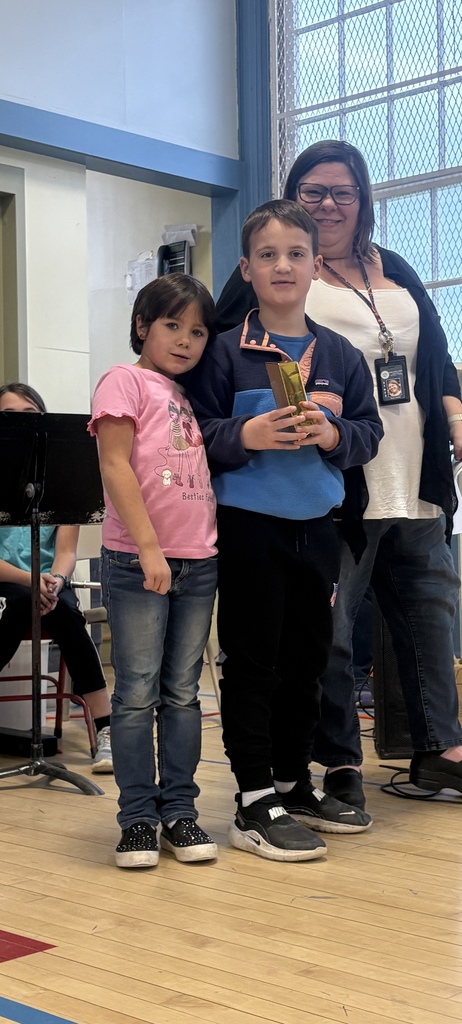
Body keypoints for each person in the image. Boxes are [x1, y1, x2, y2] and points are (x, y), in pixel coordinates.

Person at [215, 140, 462, 810]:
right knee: (333, 636)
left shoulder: (395, 268)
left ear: (364, 199)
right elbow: (221, 354)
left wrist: (457, 421)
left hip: (416, 473)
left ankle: (442, 749)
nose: (327, 204)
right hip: (333, 485)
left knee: (431, 615)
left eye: (341, 192)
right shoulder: (279, 268)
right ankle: (338, 763)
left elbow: (435, 357)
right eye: (313, 191)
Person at [184, 199, 381, 862]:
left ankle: (295, 784)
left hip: (317, 529)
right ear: (247, 267)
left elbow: (368, 435)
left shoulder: (343, 357)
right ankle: (252, 799)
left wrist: (333, 434)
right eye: (266, 255)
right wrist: (244, 433)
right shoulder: (222, 355)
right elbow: (196, 434)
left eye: (295, 253)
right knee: (253, 663)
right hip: (248, 529)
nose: (282, 265)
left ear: (315, 264)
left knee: (309, 660)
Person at [89, 274, 219, 869]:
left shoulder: (187, 395)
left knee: (183, 694)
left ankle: (180, 813)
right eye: (173, 325)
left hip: (200, 561)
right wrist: (147, 548)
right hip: (140, 561)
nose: (186, 340)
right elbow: (115, 466)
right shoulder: (124, 380)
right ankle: (137, 818)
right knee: (137, 693)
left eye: (197, 331)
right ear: (143, 326)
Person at [0, 382, 113, 774]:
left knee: (65, 610)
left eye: (29, 415)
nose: (21, 424)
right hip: (8, 583)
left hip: (50, 585)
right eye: (9, 417)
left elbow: (65, 552)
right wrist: (32, 582)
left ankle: (105, 729)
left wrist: (55, 582)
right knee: (16, 605)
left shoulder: (59, 478)